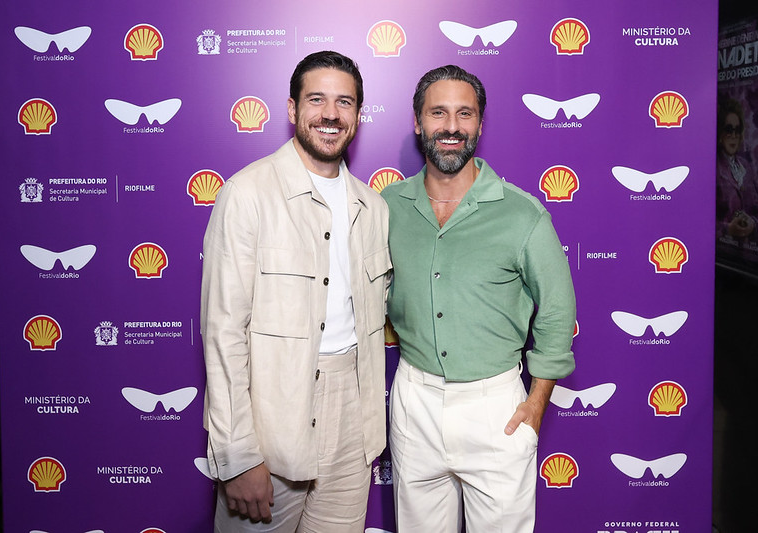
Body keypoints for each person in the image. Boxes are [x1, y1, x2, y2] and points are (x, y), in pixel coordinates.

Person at [201, 50, 391, 532]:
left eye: (344, 102)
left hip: (355, 421)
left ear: (358, 114)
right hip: (271, 421)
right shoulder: (248, 194)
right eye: (317, 100)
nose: (331, 114)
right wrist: (237, 455)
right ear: (292, 109)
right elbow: (224, 332)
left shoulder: (373, 207)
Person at [381, 65, 576, 532]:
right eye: (438, 113)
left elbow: (556, 310)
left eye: (464, 114)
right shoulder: (385, 207)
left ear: (480, 124)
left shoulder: (522, 212)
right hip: (414, 402)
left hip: (498, 408)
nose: (451, 127)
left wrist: (537, 403)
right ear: (417, 121)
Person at [716, 96, 758, 249]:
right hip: (722, 255)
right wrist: (727, 229)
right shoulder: (712, 168)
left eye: (737, 129)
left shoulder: (746, 167)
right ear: (720, 133)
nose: (733, 135)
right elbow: (697, 222)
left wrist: (752, 223)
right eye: (729, 129)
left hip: (748, 257)